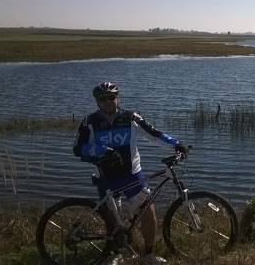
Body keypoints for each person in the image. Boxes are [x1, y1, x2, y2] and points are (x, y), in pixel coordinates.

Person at [73, 82, 188, 264]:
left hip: (132, 175)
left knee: (147, 210)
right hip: (106, 176)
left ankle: (149, 254)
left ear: (117, 98)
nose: (108, 101)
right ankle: (116, 254)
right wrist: (102, 151)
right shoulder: (90, 122)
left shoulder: (130, 117)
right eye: (103, 98)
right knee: (112, 219)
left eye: (111, 97)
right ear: (97, 101)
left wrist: (175, 144)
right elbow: (78, 148)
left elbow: (154, 134)